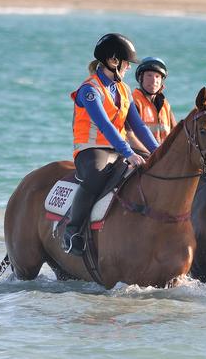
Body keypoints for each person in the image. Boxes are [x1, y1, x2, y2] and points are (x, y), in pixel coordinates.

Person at [63, 33, 160, 256]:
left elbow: (139, 127)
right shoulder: (90, 90)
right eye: (126, 63)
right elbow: (105, 126)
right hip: (91, 150)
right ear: (113, 61)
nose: (128, 68)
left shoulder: (124, 90)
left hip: (117, 149)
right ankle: (72, 230)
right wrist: (128, 152)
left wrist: (159, 152)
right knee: (96, 174)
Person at [126, 57, 177, 153]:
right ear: (140, 78)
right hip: (141, 156)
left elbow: (177, 133)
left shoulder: (165, 105)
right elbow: (130, 137)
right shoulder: (133, 102)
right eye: (149, 75)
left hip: (163, 157)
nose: (154, 80)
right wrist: (153, 156)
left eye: (157, 76)